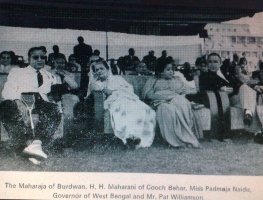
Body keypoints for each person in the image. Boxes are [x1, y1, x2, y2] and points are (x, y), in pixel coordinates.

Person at [0, 46, 61, 163]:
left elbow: (53, 93)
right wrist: (18, 102)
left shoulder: (49, 75)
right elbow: (7, 91)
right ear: (29, 59)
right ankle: (30, 145)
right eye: (36, 57)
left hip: (41, 103)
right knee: (5, 106)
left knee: (54, 109)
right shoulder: (18, 72)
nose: (40, 59)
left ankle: (36, 144)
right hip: (20, 100)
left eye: (43, 57)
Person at [86, 60, 156, 149]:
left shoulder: (118, 78)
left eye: (101, 68)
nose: (99, 71)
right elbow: (96, 94)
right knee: (123, 108)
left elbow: (129, 90)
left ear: (108, 69)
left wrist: (113, 92)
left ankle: (135, 136)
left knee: (142, 108)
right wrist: (97, 81)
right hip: (112, 102)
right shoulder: (96, 83)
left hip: (127, 98)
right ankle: (129, 137)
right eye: (96, 70)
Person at [142, 58, 201, 148]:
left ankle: (185, 137)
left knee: (181, 102)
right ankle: (174, 141)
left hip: (176, 99)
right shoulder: (153, 80)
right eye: (168, 69)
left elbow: (193, 90)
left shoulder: (177, 80)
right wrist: (167, 97)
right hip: (161, 102)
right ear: (160, 71)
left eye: (172, 69)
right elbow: (148, 95)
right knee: (166, 109)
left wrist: (182, 93)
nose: (171, 72)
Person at [199, 53, 257, 127]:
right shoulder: (204, 76)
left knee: (245, 89)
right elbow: (204, 90)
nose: (213, 64)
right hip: (223, 100)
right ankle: (255, 128)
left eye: (215, 62)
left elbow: (239, 83)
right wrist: (219, 89)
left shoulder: (226, 73)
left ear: (220, 63)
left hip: (237, 97)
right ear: (207, 64)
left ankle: (248, 114)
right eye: (210, 62)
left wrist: (255, 86)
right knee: (251, 101)